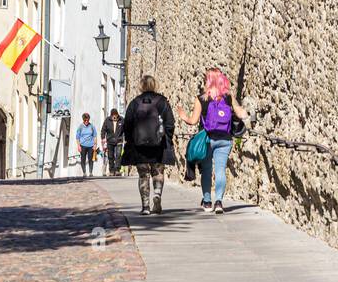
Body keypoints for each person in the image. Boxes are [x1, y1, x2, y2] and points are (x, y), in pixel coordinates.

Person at [177, 68, 247, 214]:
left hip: (207, 139)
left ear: (207, 80)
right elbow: (242, 114)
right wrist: (241, 112)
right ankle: (219, 202)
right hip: (225, 139)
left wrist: (184, 116)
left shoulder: (201, 98)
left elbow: (193, 121)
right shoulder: (228, 96)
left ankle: (207, 202)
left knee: (207, 171)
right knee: (220, 170)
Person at [122, 75, 175, 214]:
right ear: (154, 85)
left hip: (140, 146)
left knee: (143, 175)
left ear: (141, 86)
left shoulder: (135, 103)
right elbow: (170, 123)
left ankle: (145, 206)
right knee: (158, 172)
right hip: (158, 145)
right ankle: (157, 195)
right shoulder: (162, 101)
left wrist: (131, 140)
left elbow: (127, 124)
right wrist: (167, 139)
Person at [100, 109, 125, 177]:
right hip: (110, 141)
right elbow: (103, 130)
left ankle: (117, 170)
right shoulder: (107, 120)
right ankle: (111, 170)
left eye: (115, 115)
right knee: (110, 156)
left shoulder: (122, 120)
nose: (114, 117)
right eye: (113, 116)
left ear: (117, 115)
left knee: (118, 155)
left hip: (119, 141)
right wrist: (103, 138)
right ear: (111, 115)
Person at [75, 112, 98, 177]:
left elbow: (95, 136)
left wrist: (95, 144)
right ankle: (84, 172)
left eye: (87, 120)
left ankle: (90, 172)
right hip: (83, 145)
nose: (86, 121)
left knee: (91, 159)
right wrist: (78, 145)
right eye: (85, 120)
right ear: (83, 120)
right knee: (83, 159)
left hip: (91, 145)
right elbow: (77, 137)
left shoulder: (92, 126)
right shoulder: (80, 127)